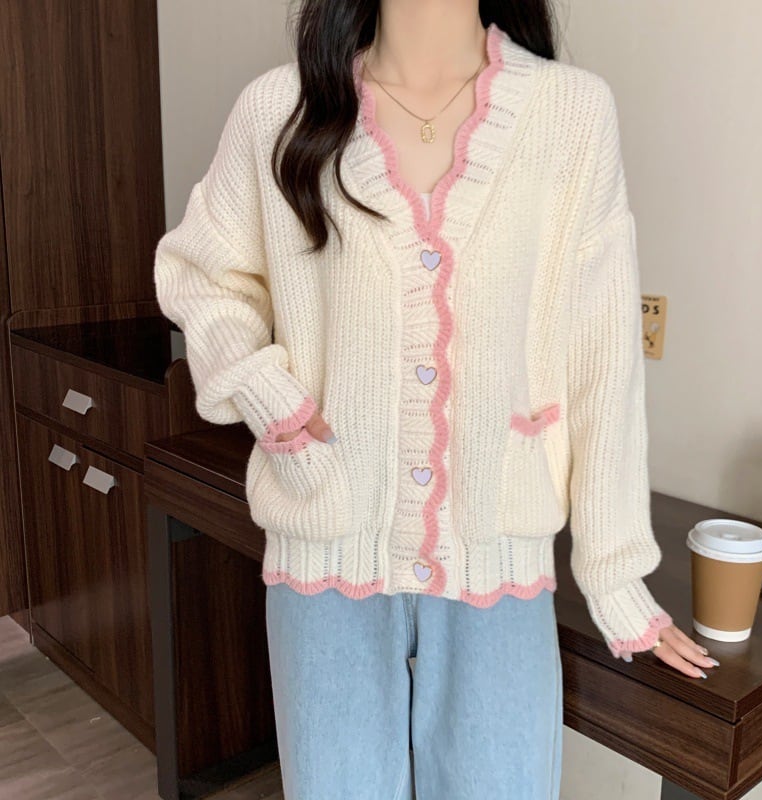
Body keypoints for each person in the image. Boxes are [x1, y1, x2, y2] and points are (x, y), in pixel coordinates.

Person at [153, 1, 721, 797]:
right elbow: (202, 275)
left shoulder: (571, 113)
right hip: (326, 551)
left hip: (500, 560)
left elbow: (602, 357)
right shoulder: (279, 109)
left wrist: (615, 572)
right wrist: (265, 391)